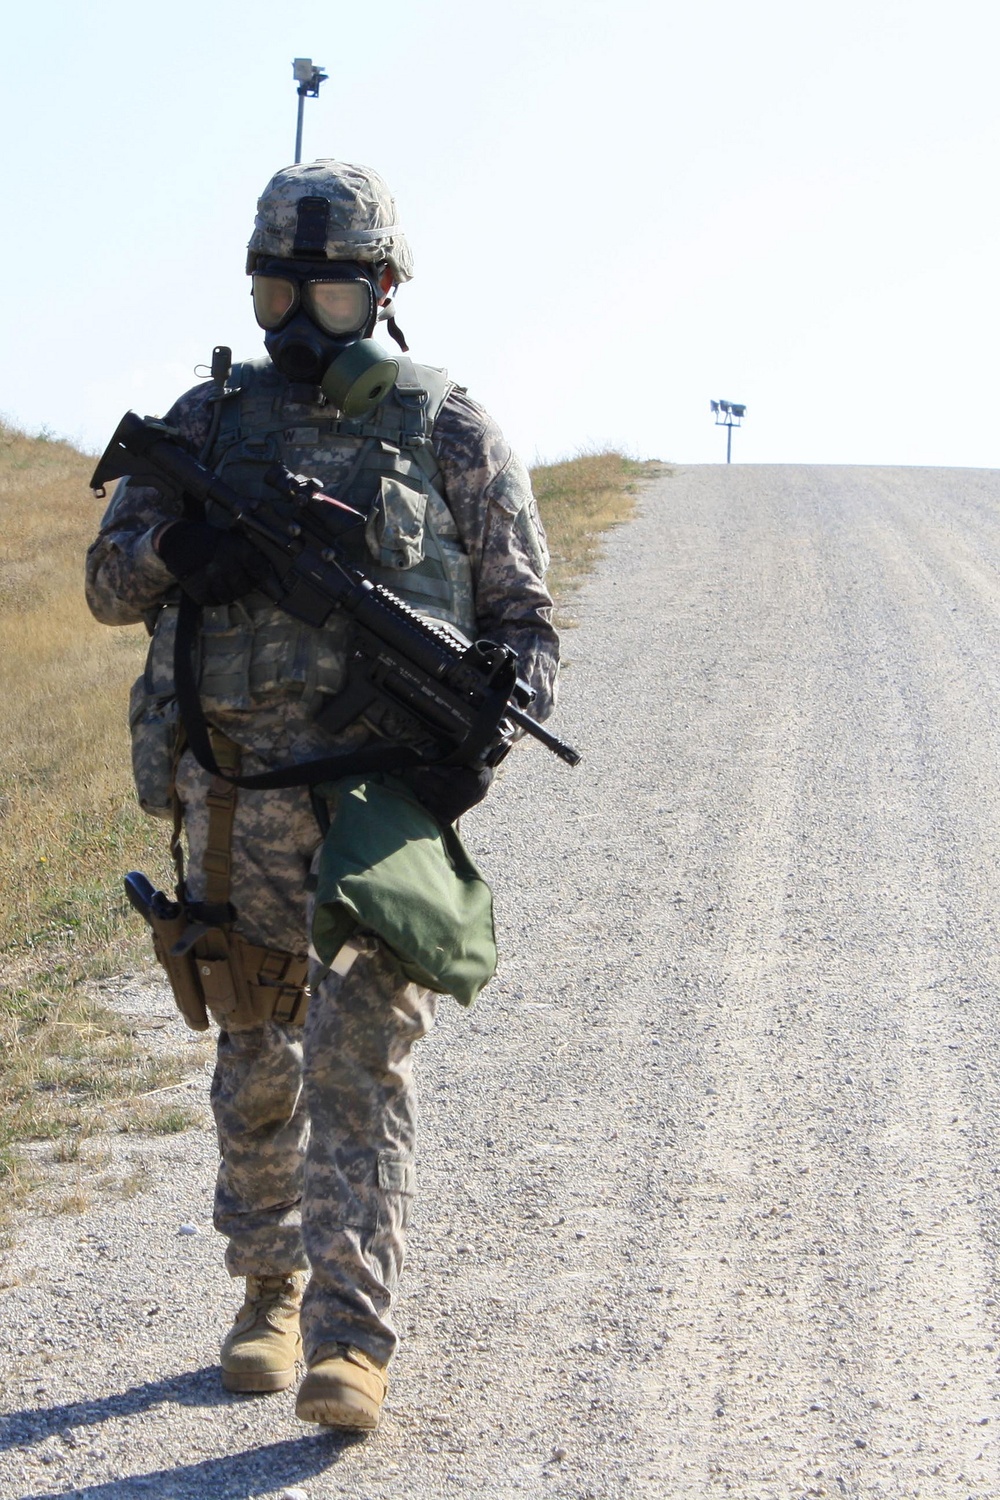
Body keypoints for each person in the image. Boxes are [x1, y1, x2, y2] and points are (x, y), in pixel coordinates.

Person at [85, 160, 559, 1431]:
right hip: (230, 795)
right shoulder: (202, 422)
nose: (296, 320)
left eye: (326, 297)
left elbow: (524, 622)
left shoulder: (447, 426)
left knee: (361, 1068)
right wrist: (185, 547)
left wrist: (484, 736)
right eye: (273, 290)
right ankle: (264, 1296)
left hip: (373, 809)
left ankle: (353, 1340)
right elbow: (109, 579)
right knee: (253, 1055)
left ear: (384, 292)